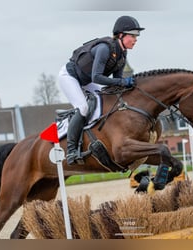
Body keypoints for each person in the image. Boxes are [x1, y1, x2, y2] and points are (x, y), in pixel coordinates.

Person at [58, 15, 145, 165]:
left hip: (87, 80)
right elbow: (97, 77)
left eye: (136, 36)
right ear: (121, 35)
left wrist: (129, 86)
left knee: (106, 100)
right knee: (83, 107)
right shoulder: (105, 49)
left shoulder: (122, 54)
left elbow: (115, 84)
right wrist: (123, 81)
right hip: (70, 77)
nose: (135, 39)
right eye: (133, 35)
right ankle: (71, 150)